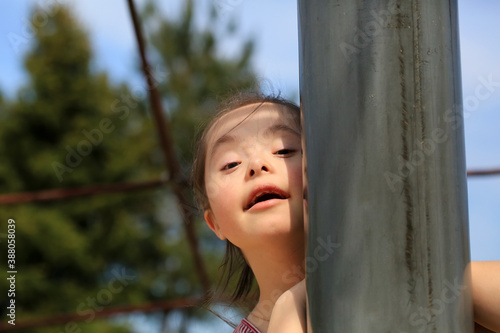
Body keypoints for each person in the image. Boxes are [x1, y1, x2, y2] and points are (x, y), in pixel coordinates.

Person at [192, 92, 500, 333]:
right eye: (230, 163)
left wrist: (434, 278)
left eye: (285, 150)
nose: (258, 167)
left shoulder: (438, 285)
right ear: (214, 223)